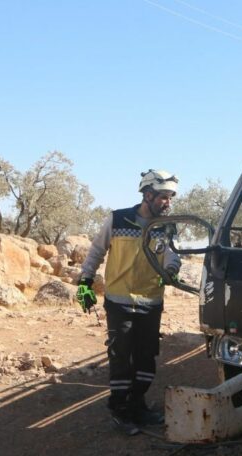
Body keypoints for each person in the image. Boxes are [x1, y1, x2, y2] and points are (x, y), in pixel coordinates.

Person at [76, 169, 182, 435]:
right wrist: (85, 282)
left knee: (147, 357)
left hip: (151, 301)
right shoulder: (117, 218)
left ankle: (138, 406)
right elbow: (96, 251)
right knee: (121, 355)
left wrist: (172, 269)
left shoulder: (166, 226)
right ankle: (119, 409)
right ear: (148, 195)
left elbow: (172, 255)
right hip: (119, 301)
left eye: (170, 197)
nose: (168, 202)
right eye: (163, 197)